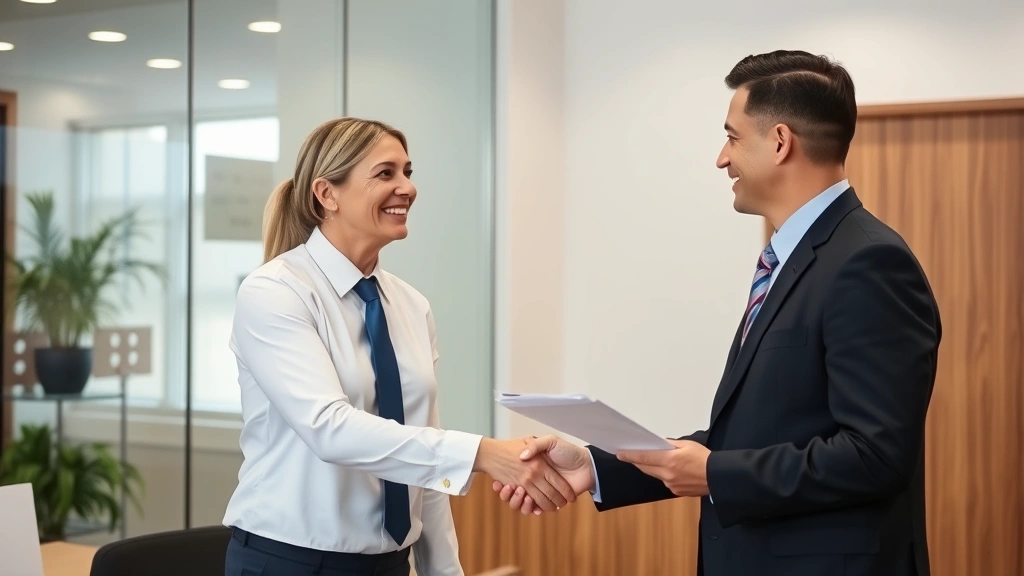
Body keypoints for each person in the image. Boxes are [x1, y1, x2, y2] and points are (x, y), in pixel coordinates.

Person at [494, 50, 941, 576]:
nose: (722, 159)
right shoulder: (794, 259)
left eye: (732, 137)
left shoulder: (868, 262)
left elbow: (876, 455)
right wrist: (596, 467)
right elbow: (753, 440)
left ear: (780, 142)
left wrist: (715, 474)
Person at [222, 117, 575, 576]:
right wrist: (483, 454)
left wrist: (444, 571)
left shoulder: (410, 305)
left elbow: (423, 465)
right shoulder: (275, 292)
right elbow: (329, 428)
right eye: (385, 173)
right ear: (326, 194)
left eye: (408, 172)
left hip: (390, 565)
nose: (407, 188)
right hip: (289, 562)